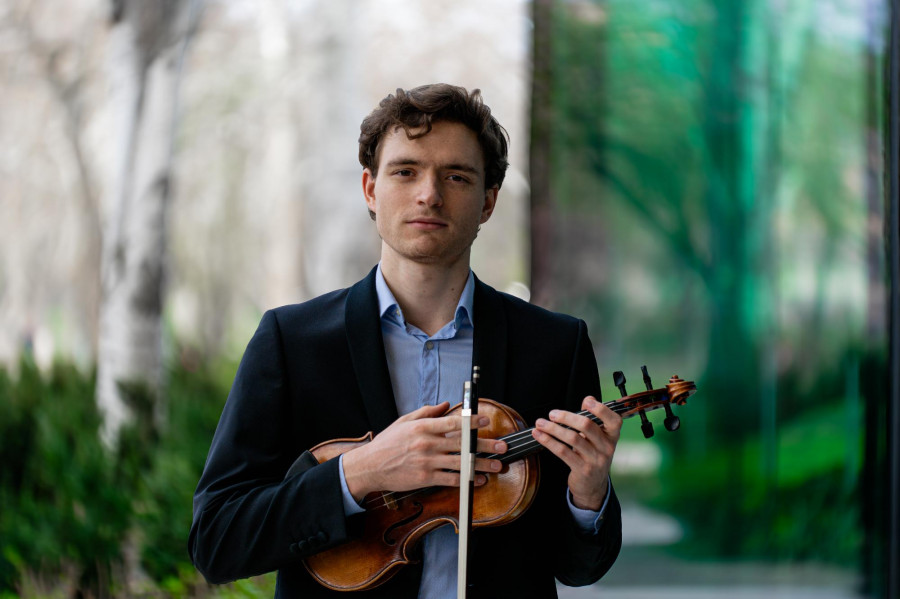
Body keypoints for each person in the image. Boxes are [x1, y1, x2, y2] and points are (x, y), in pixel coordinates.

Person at [189, 83, 623, 598]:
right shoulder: (291, 342)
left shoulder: (555, 346)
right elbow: (217, 540)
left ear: (488, 201)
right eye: (405, 171)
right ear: (370, 189)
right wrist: (360, 472)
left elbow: (577, 568)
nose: (429, 194)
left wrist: (588, 493)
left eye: (456, 176)